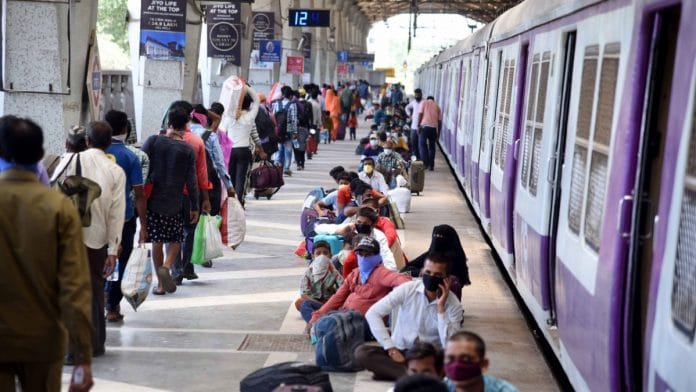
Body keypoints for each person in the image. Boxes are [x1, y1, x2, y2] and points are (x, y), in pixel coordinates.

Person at [0, 116, 94, 392]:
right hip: (43, 339)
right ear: (41, 155)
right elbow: (74, 286)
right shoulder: (59, 208)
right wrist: (83, 356)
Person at [59, 121, 126, 360]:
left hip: (66, 237)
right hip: (96, 239)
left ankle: (72, 348)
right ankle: (96, 343)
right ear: (109, 144)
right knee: (96, 289)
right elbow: (116, 213)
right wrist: (112, 248)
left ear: (87, 140)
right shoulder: (115, 171)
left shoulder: (66, 160)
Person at [355, 253, 463, 380]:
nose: (431, 277)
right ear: (422, 272)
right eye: (428, 272)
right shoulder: (407, 289)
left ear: (447, 279)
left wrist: (441, 310)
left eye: (438, 275)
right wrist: (390, 348)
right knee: (362, 353)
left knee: (458, 362)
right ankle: (423, 377)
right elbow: (373, 313)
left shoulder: (454, 305)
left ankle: (403, 374)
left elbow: (450, 344)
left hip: (431, 357)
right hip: (401, 352)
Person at [142, 107, 199, 295]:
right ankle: (167, 266)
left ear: (168, 124)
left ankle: (160, 284)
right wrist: (195, 206)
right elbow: (192, 181)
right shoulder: (187, 150)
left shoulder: (153, 141)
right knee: (175, 238)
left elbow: (143, 167)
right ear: (185, 126)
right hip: (175, 200)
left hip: (154, 200)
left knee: (157, 239)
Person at [307, 237, 410, 328]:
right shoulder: (356, 273)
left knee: (328, 325)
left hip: (363, 322)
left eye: (368, 255)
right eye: (360, 254)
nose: (363, 258)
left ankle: (322, 326)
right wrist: (318, 316)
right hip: (344, 313)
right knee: (307, 306)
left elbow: (402, 280)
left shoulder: (381, 273)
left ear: (377, 256)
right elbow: (338, 297)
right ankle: (320, 324)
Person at [104, 110, 147, 323]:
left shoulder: (91, 153)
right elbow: (139, 195)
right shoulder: (131, 156)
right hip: (124, 218)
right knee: (121, 259)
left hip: (95, 219)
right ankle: (112, 305)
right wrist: (144, 228)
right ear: (125, 130)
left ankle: (98, 295)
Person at [168, 101, 211, 285]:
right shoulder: (196, 141)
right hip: (189, 194)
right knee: (188, 230)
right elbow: (202, 173)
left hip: (168, 194)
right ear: (188, 121)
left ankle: (175, 271)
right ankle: (187, 267)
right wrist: (205, 198)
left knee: (172, 233)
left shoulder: (161, 139)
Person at [317, 206, 397, 273]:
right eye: (359, 222)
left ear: (373, 225)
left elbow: (388, 259)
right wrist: (339, 231)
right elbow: (318, 228)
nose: (361, 225)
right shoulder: (351, 228)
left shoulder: (378, 237)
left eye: (365, 224)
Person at [402, 225, 470, 299]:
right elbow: (405, 269)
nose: (437, 241)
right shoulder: (431, 254)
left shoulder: (454, 259)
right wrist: (419, 272)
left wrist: (423, 273)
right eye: (436, 236)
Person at [225, 86, 268, 205]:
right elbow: (255, 137)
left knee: (231, 177)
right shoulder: (250, 117)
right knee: (241, 178)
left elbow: (223, 131)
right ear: (249, 105)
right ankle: (239, 203)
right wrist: (246, 87)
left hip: (231, 151)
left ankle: (231, 202)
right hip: (244, 151)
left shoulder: (230, 116)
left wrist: (238, 89)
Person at [191, 104, 234, 213]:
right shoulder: (210, 135)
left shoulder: (181, 135)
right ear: (204, 118)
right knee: (209, 219)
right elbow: (220, 164)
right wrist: (229, 186)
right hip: (209, 182)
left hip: (187, 183)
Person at [444, 331, 519, 392]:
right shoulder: (439, 388)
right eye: (451, 359)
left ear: (484, 364)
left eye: (466, 359)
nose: (456, 366)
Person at [295, 241, 344, 324]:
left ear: (330, 256)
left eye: (325, 253)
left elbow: (343, 288)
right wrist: (319, 304)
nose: (322, 256)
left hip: (329, 303)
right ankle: (315, 324)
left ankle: (320, 317)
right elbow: (304, 294)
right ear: (313, 256)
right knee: (301, 303)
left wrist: (330, 303)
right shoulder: (308, 273)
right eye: (318, 253)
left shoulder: (334, 272)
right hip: (315, 302)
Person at [272, 86, 298, 176]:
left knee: (279, 148)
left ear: (282, 94)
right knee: (288, 149)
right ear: (290, 95)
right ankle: (286, 168)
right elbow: (293, 119)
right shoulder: (292, 105)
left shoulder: (276, 104)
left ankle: (277, 165)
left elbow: (273, 118)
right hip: (288, 130)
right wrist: (294, 132)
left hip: (278, 130)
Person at [417, 96, 442, 171]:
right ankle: (431, 166)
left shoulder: (424, 102)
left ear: (427, 99)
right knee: (432, 147)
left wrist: (418, 125)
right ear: (433, 100)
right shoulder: (437, 106)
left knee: (422, 145)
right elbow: (440, 121)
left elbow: (420, 114)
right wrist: (438, 134)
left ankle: (425, 163)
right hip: (433, 129)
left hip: (424, 127)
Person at [405, 88, 423, 159]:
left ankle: (421, 159)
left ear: (421, 94)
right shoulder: (413, 102)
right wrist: (409, 114)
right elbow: (407, 107)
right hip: (413, 127)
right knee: (414, 144)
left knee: (420, 145)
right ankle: (416, 159)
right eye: (416, 95)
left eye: (418, 95)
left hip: (421, 127)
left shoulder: (424, 102)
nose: (417, 96)